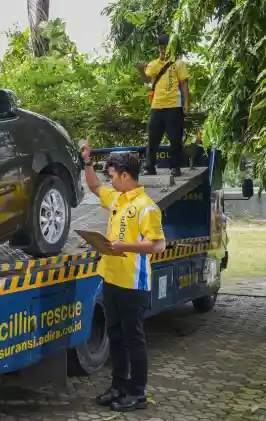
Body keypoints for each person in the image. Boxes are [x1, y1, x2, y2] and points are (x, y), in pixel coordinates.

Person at [79, 139, 167, 412]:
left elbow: (158, 245)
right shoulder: (117, 198)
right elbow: (94, 186)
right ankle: (118, 386)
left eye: (113, 175)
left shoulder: (146, 206)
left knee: (133, 338)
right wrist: (87, 161)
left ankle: (137, 393)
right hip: (112, 278)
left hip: (133, 283)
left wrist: (124, 246)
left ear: (125, 175)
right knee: (115, 336)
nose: (110, 180)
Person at [136, 34, 189, 177]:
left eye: (165, 48)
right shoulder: (154, 64)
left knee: (174, 138)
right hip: (157, 106)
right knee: (152, 137)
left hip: (174, 105)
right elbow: (147, 79)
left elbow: (184, 84)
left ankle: (175, 167)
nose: (163, 51)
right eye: (161, 48)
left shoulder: (178, 63)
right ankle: (149, 167)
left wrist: (186, 104)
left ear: (171, 48)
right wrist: (141, 69)